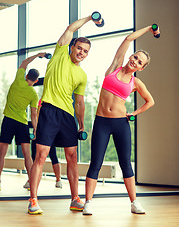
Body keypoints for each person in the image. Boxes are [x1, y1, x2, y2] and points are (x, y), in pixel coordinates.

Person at [28, 14, 100, 215]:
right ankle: (33, 199)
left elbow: (79, 102)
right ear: (71, 47)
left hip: (67, 117)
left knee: (72, 156)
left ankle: (75, 199)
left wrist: (82, 124)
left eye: (85, 51)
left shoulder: (82, 75)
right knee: (41, 156)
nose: (81, 52)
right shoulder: (59, 54)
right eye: (79, 48)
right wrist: (89, 19)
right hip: (49, 111)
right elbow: (69, 29)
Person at [83, 25, 158, 215]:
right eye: (135, 57)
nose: (135, 61)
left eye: (139, 62)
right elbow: (128, 39)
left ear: (141, 67)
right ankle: (88, 202)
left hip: (120, 125)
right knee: (96, 163)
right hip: (101, 122)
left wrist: (134, 113)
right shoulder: (115, 67)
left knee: (125, 163)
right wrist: (149, 28)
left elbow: (150, 101)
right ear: (131, 57)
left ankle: (134, 203)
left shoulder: (136, 83)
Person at [0, 53, 45, 190]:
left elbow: (25, 62)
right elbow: (33, 114)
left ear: (26, 76)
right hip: (22, 124)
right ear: (36, 81)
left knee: (1, 153)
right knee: (27, 155)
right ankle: (32, 182)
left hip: (8, 121)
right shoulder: (33, 93)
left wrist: (38, 55)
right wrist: (36, 129)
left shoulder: (19, 78)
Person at [23, 99, 62, 190]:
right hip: (40, 131)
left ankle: (58, 180)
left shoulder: (52, 101)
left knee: (52, 156)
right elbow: (36, 116)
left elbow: (36, 115)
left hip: (47, 132)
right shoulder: (42, 101)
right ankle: (31, 180)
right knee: (35, 158)